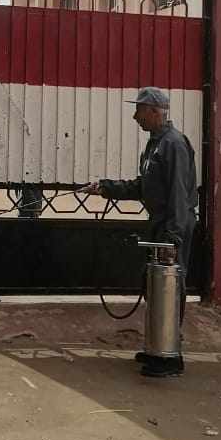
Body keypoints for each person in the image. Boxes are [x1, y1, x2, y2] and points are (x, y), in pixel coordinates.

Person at [85, 87, 197, 378]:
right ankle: (157, 345)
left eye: (140, 110)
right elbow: (143, 187)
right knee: (155, 286)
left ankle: (170, 356)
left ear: (155, 112)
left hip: (173, 223)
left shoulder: (173, 144)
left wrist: (173, 237)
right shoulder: (155, 145)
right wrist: (106, 187)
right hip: (161, 223)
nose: (136, 117)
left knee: (170, 286)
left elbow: (178, 194)